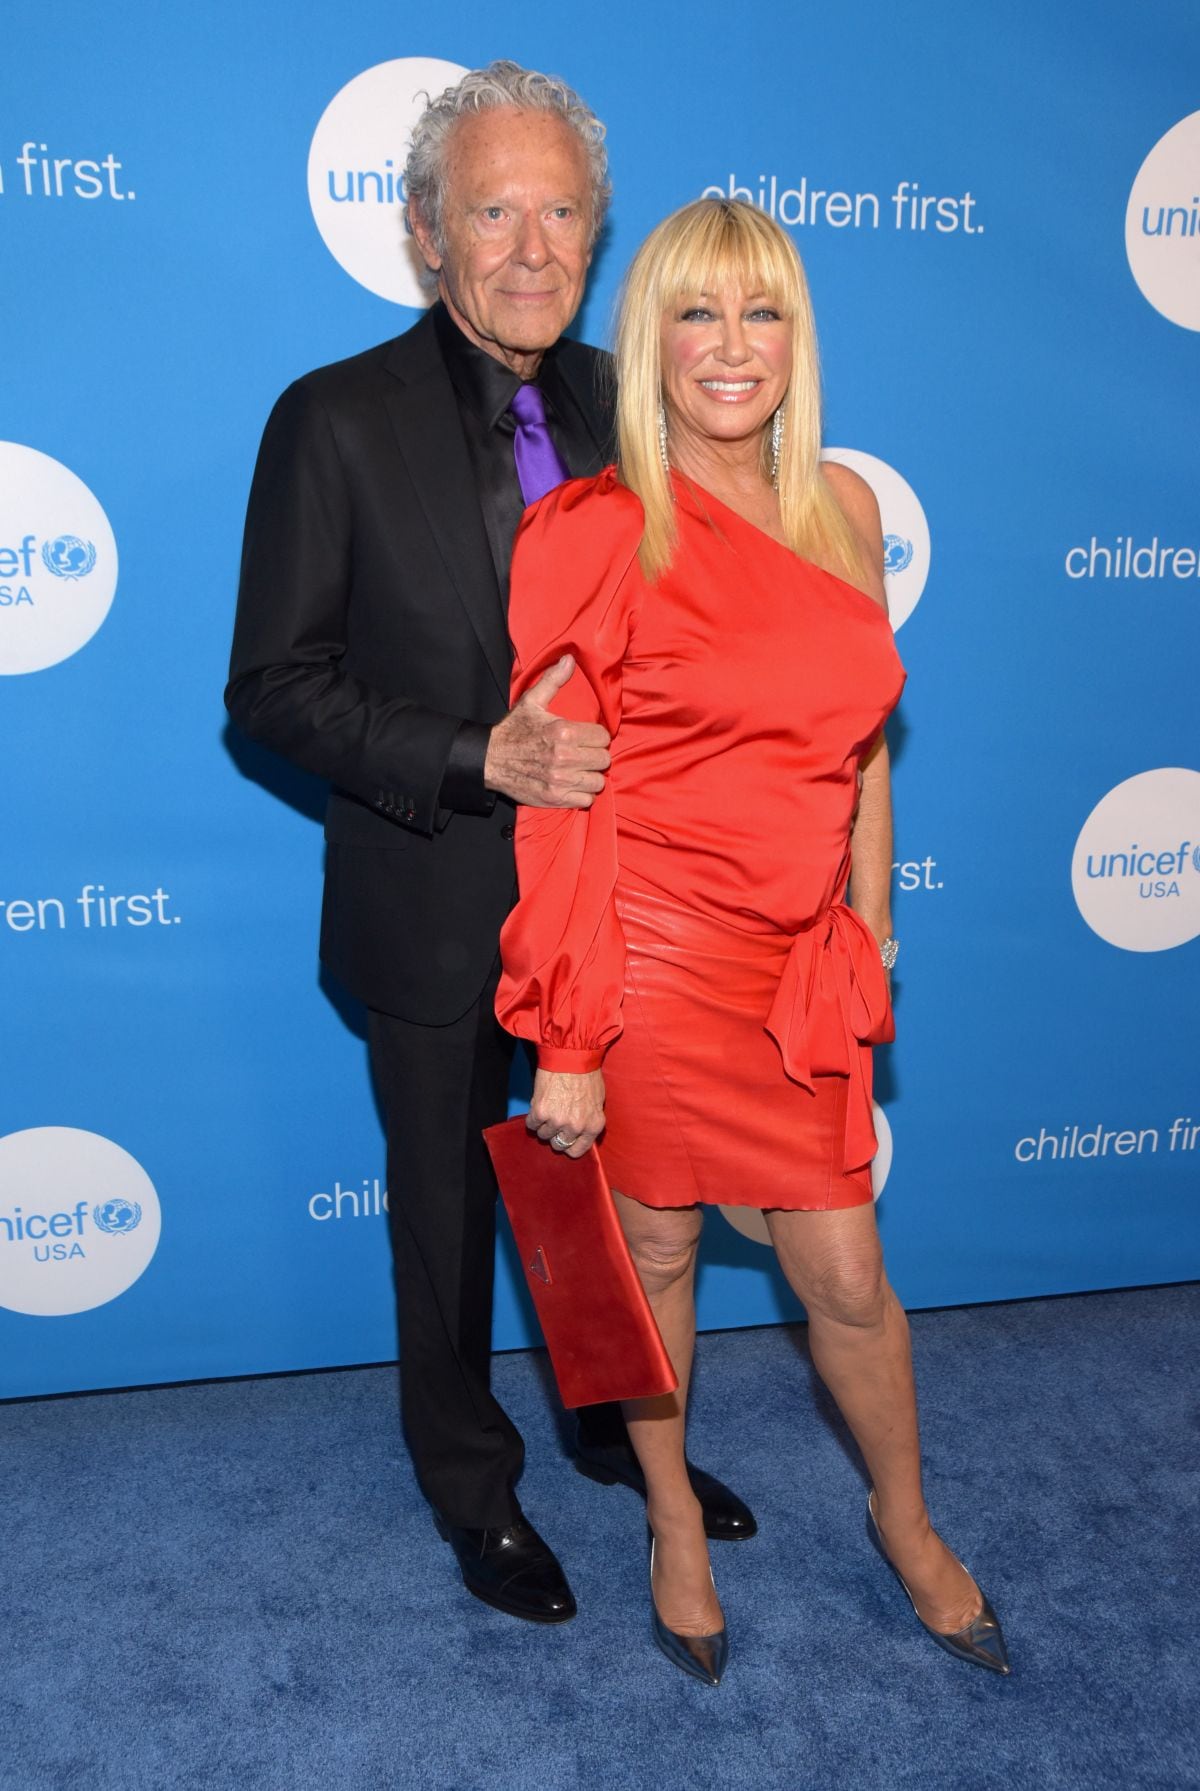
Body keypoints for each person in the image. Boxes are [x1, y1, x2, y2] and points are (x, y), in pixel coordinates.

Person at [225, 65, 754, 1627]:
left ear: (600, 231)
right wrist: (477, 756)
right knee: (452, 1218)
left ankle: (613, 1432)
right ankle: (473, 1484)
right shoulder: (330, 418)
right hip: (435, 891)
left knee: (619, 1194)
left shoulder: (637, 404)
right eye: (494, 212)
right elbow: (273, 688)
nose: (531, 247)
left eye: (562, 213)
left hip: (632, 900)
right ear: (424, 233)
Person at [496, 197, 1009, 1683]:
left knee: (847, 1275)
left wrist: (873, 919)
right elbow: (561, 809)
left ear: (799, 336)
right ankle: (667, 1517)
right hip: (647, 958)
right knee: (651, 1253)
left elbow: (862, 749)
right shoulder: (590, 532)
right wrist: (571, 1038)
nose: (733, 347)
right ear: (645, 339)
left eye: (763, 312)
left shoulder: (843, 507)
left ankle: (903, 1520)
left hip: (795, 958)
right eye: (698, 313)